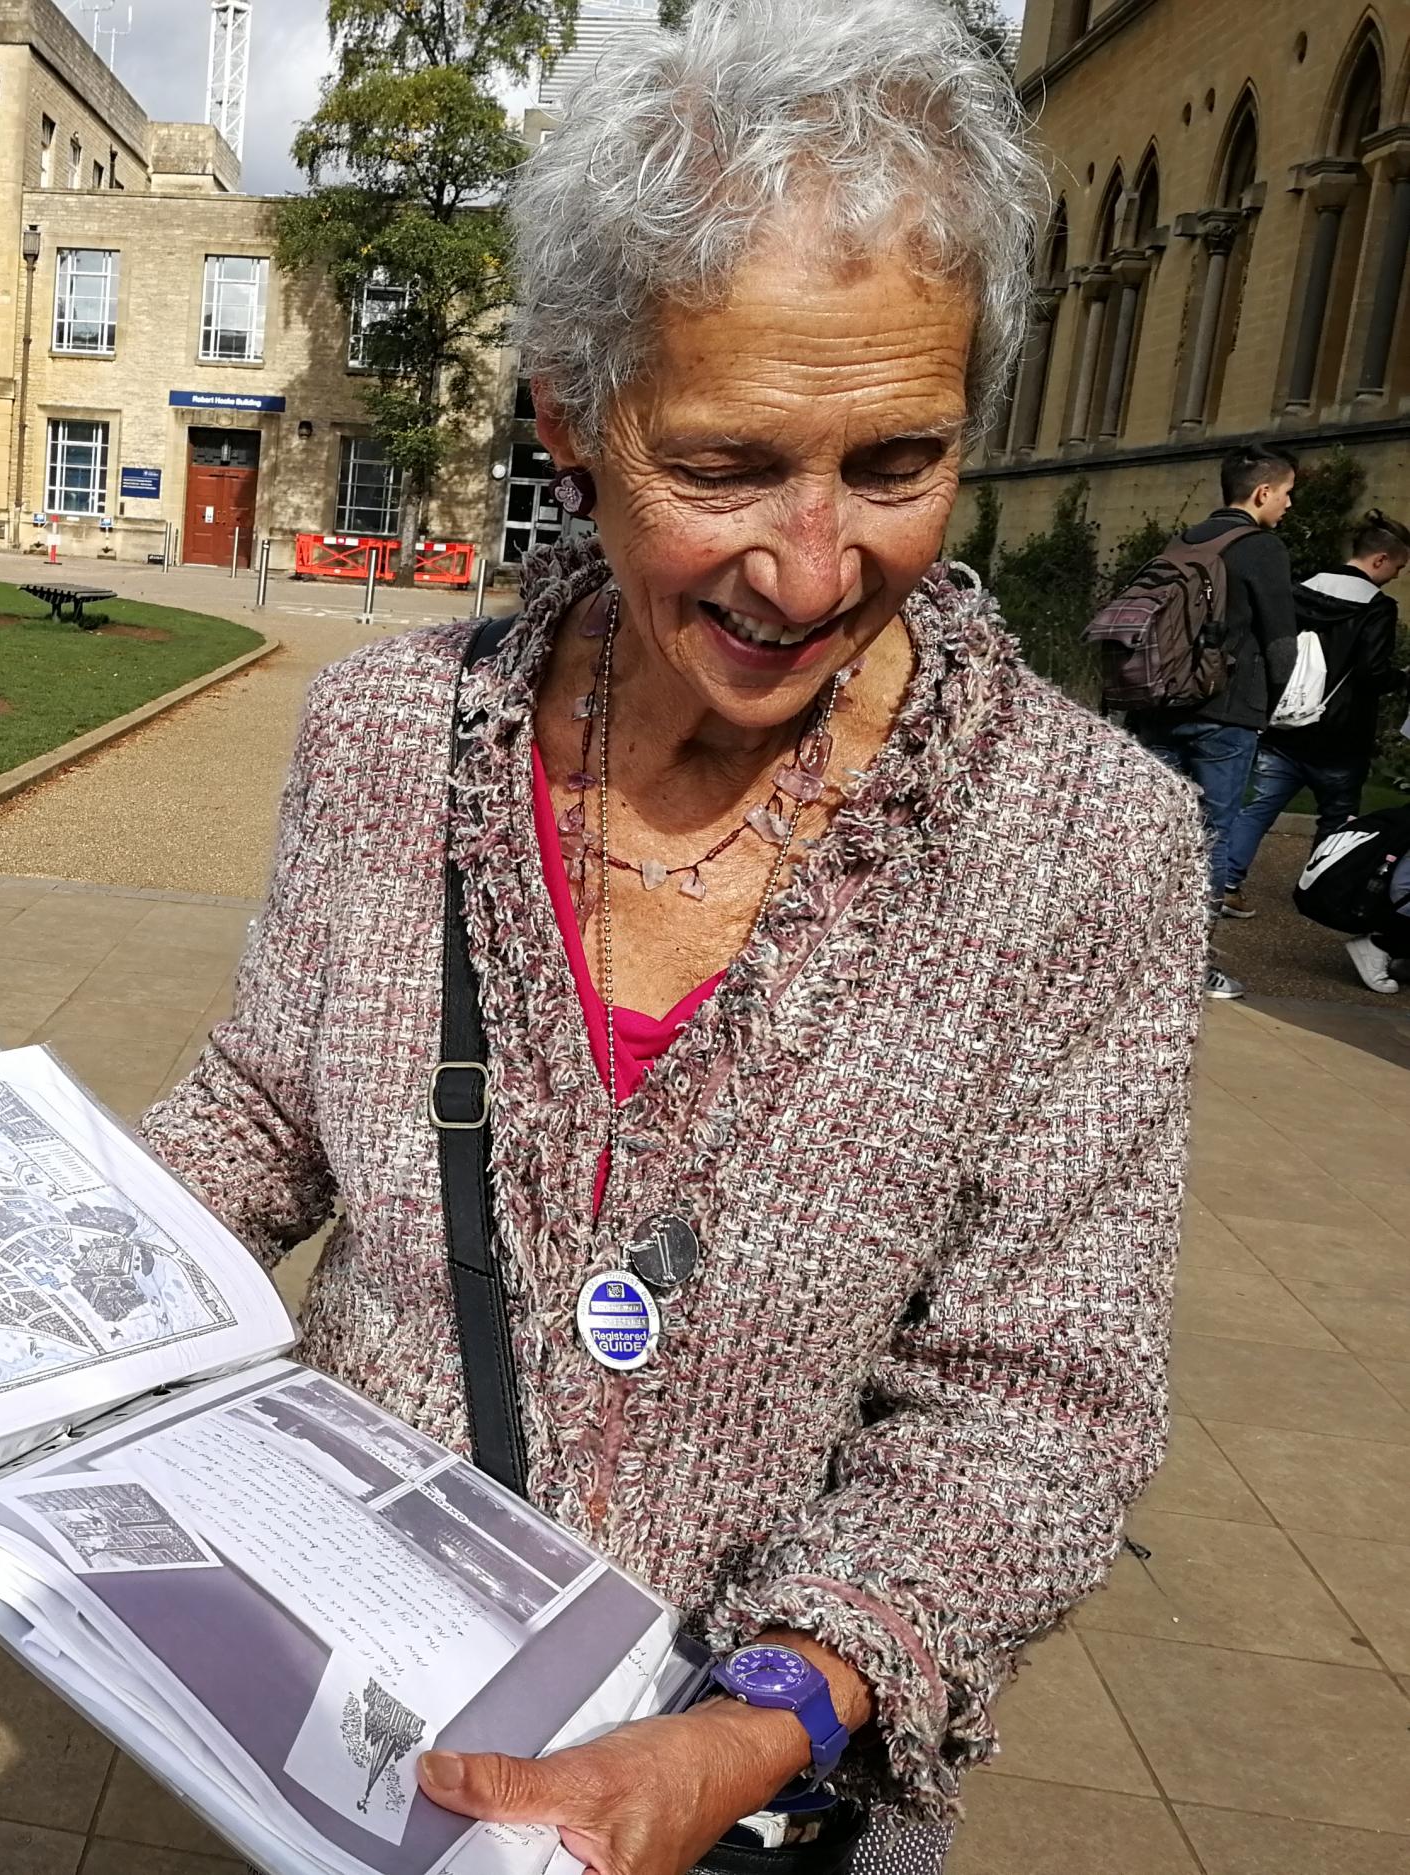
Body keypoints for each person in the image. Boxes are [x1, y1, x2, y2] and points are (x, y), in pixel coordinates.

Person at [140, 6, 1205, 1873]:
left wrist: (763, 1717)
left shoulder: (1088, 845)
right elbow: (261, 1113)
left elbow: (1040, 1403)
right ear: (573, 408)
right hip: (347, 1739)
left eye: (897, 463)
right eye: (723, 467)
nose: (810, 571)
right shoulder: (391, 735)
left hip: (746, 1816)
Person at [1123, 447, 1299, 981]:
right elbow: (1281, 642)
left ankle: (1129, 952)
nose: (1289, 504)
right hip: (1225, 714)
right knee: (1213, 835)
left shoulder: (1186, 539)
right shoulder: (1263, 548)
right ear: (1262, 492)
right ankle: (1189, 966)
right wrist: (1270, 704)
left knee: (1153, 829)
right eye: (1287, 493)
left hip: (1159, 701)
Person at [1221, 512, 1407, 960]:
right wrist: (1400, 678)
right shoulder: (1378, 608)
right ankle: (1321, 888)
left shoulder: (1301, 589)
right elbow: (1370, 672)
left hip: (1287, 723)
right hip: (1342, 734)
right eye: (1400, 567)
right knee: (1337, 817)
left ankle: (1227, 882)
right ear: (1381, 559)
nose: (1399, 575)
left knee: (1259, 807)